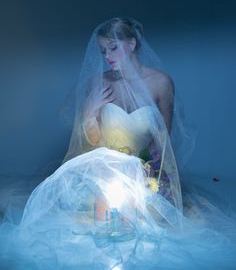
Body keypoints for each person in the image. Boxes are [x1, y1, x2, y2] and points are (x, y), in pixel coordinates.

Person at [0, 17, 236, 270]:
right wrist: (90, 112)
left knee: (149, 220)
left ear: (132, 44)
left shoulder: (160, 82)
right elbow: (94, 142)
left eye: (113, 47)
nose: (107, 56)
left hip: (146, 166)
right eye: (103, 50)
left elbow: (164, 136)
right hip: (106, 167)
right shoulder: (99, 83)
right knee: (100, 220)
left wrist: (153, 172)